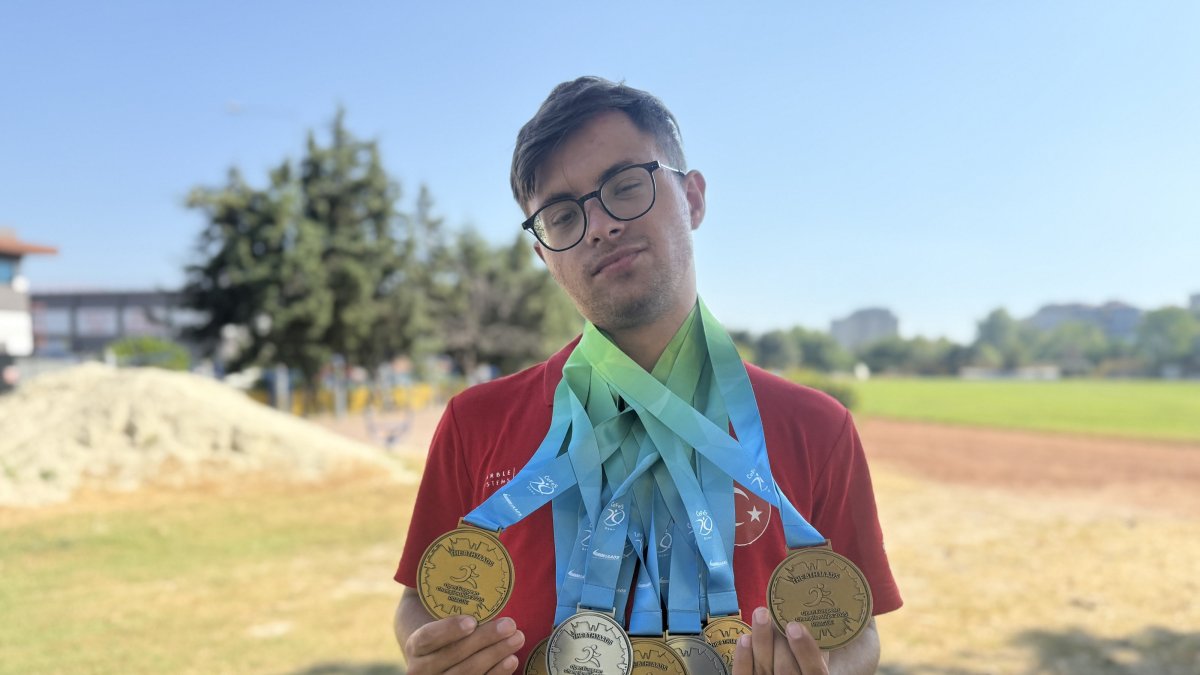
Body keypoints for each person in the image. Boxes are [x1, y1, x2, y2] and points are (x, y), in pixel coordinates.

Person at [393, 76, 902, 674]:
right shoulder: (475, 421)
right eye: (561, 215)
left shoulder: (817, 427)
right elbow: (418, 604)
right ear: (544, 255)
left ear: (693, 198)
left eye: (626, 186)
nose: (600, 226)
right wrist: (432, 651)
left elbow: (858, 632)